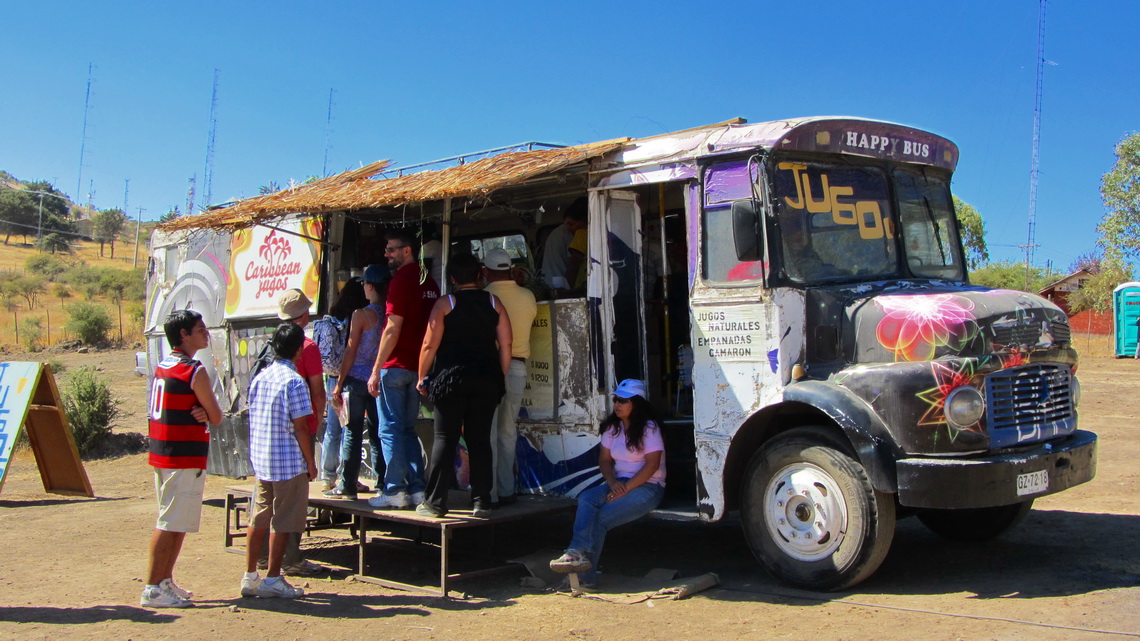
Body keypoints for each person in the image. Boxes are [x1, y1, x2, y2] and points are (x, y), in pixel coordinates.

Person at [414, 253, 512, 518]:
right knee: (480, 439)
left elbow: (429, 344)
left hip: (451, 379)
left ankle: (435, 503)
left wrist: (422, 376)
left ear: (453, 278)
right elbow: (506, 345)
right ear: (480, 275)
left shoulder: (446, 303)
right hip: (487, 379)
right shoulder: (494, 302)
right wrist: (498, 376)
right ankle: (482, 501)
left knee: (445, 438)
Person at [548, 379, 666, 588]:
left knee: (600, 519)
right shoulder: (613, 428)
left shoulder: (649, 428)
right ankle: (575, 552)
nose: (617, 404)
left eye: (623, 400)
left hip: (648, 486)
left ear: (636, 403)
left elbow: (652, 465)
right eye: (616, 399)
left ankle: (585, 576)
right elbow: (604, 460)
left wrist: (625, 489)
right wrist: (612, 483)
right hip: (618, 482)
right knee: (586, 498)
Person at [141, 309, 222, 608]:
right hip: (182, 455)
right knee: (169, 522)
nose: (205, 333)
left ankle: (164, 580)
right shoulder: (193, 370)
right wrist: (205, 412)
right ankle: (152, 588)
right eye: (199, 329)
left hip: (163, 452)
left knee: (176, 521)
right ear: (183, 334)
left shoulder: (164, 365)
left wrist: (202, 411)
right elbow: (216, 416)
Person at [240, 323, 317, 600]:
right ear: (298, 350)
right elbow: (300, 427)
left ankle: (250, 575)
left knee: (259, 516)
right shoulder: (294, 381)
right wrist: (310, 462)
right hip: (287, 462)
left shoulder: (261, 376)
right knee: (283, 521)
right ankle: (273, 577)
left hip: (263, 459)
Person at [255, 289, 325, 577]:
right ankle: (290, 559)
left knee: (266, 501)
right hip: (297, 428)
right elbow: (317, 392)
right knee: (293, 500)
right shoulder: (307, 347)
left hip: (268, 434)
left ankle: (261, 557)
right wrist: (315, 425)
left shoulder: (271, 345)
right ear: (305, 315)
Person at [367, 229, 439, 509]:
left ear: (407, 250)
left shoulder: (400, 281)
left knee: (390, 430)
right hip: (417, 367)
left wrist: (376, 368)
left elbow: (392, 328)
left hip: (395, 366)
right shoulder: (429, 282)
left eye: (392, 250)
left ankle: (395, 489)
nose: (387, 255)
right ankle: (418, 489)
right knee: (408, 429)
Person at [329, 265, 390, 499]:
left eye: (365, 284)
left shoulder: (361, 314)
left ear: (371, 286)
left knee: (352, 432)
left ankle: (347, 484)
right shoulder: (389, 313)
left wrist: (338, 382)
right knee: (378, 433)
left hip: (355, 380)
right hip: (377, 380)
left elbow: (351, 351)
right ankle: (383, 482)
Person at [481, 248, 537, 506]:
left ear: (486, 271)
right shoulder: (528, 296)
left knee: (488, 432)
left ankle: (489, 493)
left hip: (490, 367)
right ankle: (506, 490)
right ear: (510, 269)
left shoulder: (485, 297)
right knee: (507, 431)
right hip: (517, 368)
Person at [319, 278, 369, 492]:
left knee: (332, 428)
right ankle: (348, 476)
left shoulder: (333, 317)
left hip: (332, 377)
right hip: (350, 377)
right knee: (349, 430)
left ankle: (327, 476)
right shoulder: (359, 317)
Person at [541, 196, 588, 296]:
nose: (569, 228)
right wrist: (567, 292)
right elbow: (574, 264)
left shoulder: (559, 232)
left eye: (572, 224)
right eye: (569, 224)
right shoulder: (577, 234)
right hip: (562, 288)